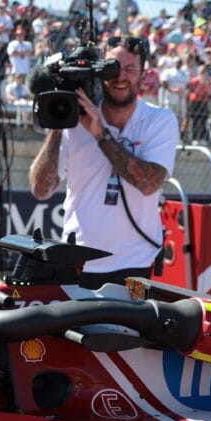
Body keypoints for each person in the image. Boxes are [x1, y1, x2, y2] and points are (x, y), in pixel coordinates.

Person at [29, 37, 178, 290]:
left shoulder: (159, 120)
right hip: (78, 259)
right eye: (113, 68)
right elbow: (40, 189)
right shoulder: (75, 120)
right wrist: (58, 122)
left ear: (143, 73)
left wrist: (100, 133)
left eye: (131, 69)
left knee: (127, 331)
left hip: (136, 262)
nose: (121, 77)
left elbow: (149, 183)